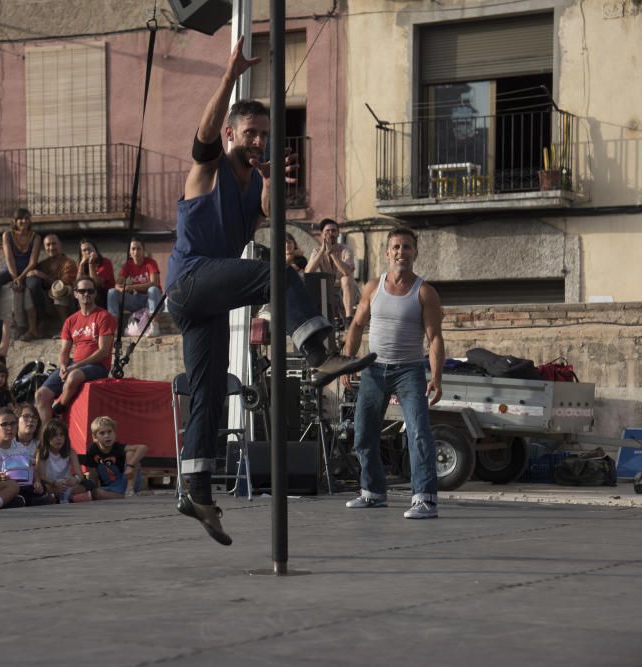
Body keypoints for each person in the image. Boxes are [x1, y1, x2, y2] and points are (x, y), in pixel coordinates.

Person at [165, 37, 376, 545]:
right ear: (232, 133)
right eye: (250, 132)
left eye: (264, 134)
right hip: (191, 281)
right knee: (274, 273)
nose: (258, 140)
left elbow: (266, 212)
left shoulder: (251, 188)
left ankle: (194, 490)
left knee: (212, 394)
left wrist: (272, 191)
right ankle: (319, 352)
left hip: (206, 302)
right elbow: (205, 131)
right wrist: (229, 74)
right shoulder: (208, 170)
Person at [343, 227, 444, 519]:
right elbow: (357, 325)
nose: (401, 252)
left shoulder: (424, 292)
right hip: (373, 369)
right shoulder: (373, 287)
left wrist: (436, 377)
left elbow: (435, 337)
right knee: (363, 434)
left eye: (407, 247)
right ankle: (372, 493)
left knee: (418, 434)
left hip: (408, 371)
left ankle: (424, 499)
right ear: (387, 253)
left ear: (415, 253)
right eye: (396, 247)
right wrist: (346, 362)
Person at [34, 276, 116, 422]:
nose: (86, 294)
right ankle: (47, 434)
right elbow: (64, 351)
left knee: (73, 377)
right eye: (82, 291)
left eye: (90, 291)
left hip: (98, 366)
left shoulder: (104, 316)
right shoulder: (70, 321)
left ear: (95, 294)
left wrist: (76, 365)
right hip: (74, 365)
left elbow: (104, 351)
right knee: (41, 395)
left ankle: (59, 409)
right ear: (75, 294)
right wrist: (64, 366)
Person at [0, 208, 43, 341]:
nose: (23, 221)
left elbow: (33, 261)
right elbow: (9, 258)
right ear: (15, 221)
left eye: (26, 218)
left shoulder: (36, 237)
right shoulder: (7, 235)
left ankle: (38, 323)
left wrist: (21, 277)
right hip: (11, 270)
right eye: (20, 218)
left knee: (34, 285)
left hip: (27, 271)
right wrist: (14, 277)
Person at [0, 408, 42, 505]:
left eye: (13, 424)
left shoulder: (21, 448)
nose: (9, 428)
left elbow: (31, 468)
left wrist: (37, 481)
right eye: (4, 424)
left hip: (19, 485)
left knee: (41, 491)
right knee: (13, 487)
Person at [305, 218, 360, 323]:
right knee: (317, 283)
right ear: (322, 234)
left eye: (334, 231)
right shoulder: (317, 251)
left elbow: (347, 272)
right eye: (327, 231)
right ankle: (332, 318)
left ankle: (349, 318)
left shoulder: (346, 250)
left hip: (347, 290)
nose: (331, 234)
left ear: (338, 233)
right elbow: (308, 272)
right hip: (327, 290)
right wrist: (322, 251)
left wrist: (332, 254)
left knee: (346, 279)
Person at [83, 416, 147, 500]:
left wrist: (130, 466)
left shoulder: (117, 447)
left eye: (110, 432)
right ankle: (126, 498)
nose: (107, 436)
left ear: (115, 433)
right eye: (102, 433)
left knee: (131, 452)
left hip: (127, 481)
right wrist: (91, 489)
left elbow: (143, 447)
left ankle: (130, 490)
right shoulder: (92, 451)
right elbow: (93, 474)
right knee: (96, 493)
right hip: (111, 488)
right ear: (95, 437)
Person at [108, 238, 164, 325]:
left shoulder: (150, 263)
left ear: (143, 250)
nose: (136, 252)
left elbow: (154, 283)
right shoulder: (127, 265)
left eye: (138, 248)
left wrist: (132, 287)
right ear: (129, 252)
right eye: (133, 249)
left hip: (153, 300)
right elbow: (117, 284)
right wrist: (121, 289)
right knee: (112, 292)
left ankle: (154, 325)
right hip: (137, 300)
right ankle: (113, 327)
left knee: (152, 289)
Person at [34, 419, 86, 504]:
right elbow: (42, 476)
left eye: (62, 435)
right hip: (51, 484)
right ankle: (67, 497)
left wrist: (75, 479)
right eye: (54, 435)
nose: (59, 438)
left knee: (88, 484)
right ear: (47, 438)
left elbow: (80, 475)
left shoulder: (70, 451)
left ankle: (66, 496)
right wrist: (54, 483)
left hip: (67, 485)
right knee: (42, 488)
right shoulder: (42, 452)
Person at [31, 233, 78, 327]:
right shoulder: (42, 265)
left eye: (54, 244)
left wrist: (44, 276)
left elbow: (63, 284)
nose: (51, 247)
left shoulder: (69, 263)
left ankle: (65, 327)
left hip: (67, 300)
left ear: (60, 245)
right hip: (47, 301)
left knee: (58, 291)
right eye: (48, 245)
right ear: (44, 248)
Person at [77, 239, 115, 309]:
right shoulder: (82, 266)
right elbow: (77, 284)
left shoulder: (105, 262)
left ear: (95, 250)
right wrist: (81, 265)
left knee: (95, 291)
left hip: (104, 295)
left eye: (89, 249)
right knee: (77, 292)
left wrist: (90, 264)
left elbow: (96, 284)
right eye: (84, 250)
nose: (87, 252)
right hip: (87, 293)